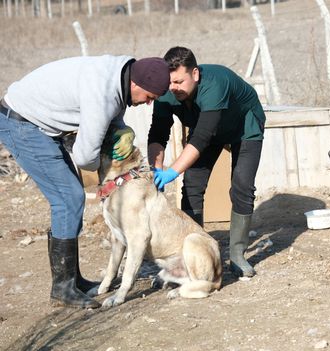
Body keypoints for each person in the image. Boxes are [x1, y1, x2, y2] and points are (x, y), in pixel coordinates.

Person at [0, 55, 170, 308]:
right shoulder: (103, 95)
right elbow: (84, 158)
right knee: (68, 198)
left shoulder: (120, 76)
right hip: (23, 124)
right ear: (137, 83)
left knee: (70, 198)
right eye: (149, 97)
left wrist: (121, 132)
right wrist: (110, 158)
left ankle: (72, 280)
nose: (148, 104)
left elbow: (112, 119)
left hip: (37, 120)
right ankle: (62, 288)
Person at [148, 46, 265, 278]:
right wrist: (156, 168)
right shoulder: (166, 91)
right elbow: (158, 134)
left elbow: (201, 139)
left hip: (244, 127)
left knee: (242, 186)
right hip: (207, 130)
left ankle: (238, 254)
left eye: (179, 82)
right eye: (170, 83)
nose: (174, 88)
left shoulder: (215, 83)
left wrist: (171, 172)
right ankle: (190, 253)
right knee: (191, 184)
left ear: (195, 74)